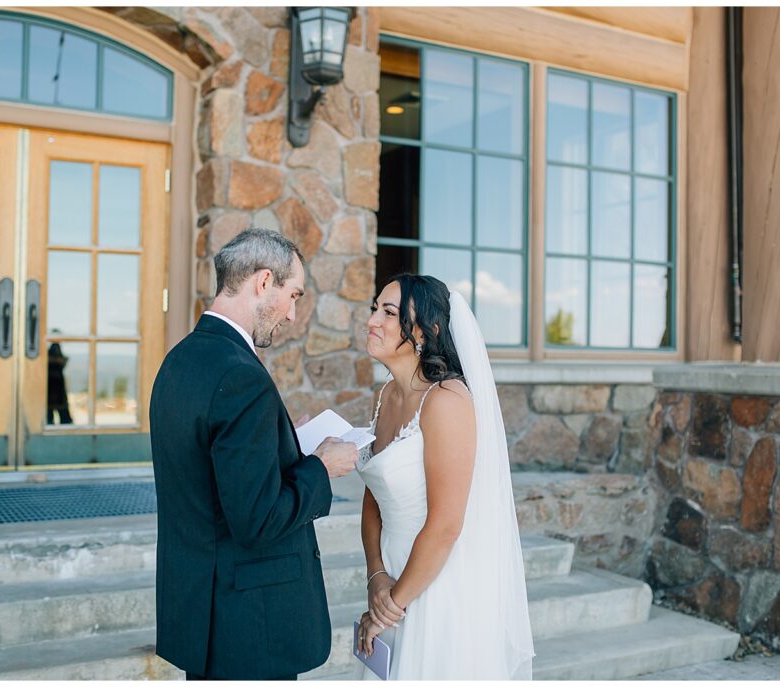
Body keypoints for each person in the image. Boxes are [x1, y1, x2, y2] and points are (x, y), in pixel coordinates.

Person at [150, 228, 359, 681]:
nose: (292, 314)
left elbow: (210, 477)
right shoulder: (240, 376)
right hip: (248, 627)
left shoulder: (179, 362)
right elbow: (258, 520)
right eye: (293, 295)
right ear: (264, 282)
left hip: (203, 616)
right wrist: (321, 469)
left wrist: (284, 446)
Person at [354, 274, 535, 680]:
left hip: (437, 581)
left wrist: (392, 604)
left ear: (427, 331)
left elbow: (447, 525)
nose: (372, 321)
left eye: (389, 313)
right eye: (374, 309)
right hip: (391, 574)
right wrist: (376, 574)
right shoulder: (384, 396)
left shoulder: (447, 401)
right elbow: (373, 496)